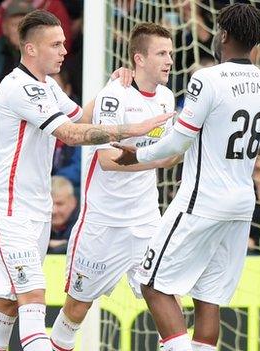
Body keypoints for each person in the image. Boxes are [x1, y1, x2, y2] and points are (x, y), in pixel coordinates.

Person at [0, 10, 171, 351]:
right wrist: (131, 128)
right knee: (33, 297)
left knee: (5, 308)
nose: (65, 50)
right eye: (55, 44)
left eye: (64, 43)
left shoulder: (48, 86)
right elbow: (70, 134)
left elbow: (80, 116)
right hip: (8, 213)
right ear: (31, 49)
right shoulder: (18, 88)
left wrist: (115, 85)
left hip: (36, 210)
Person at [114, 4, 260, 350]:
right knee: (208, 295)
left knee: (151, 284)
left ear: (224, 35)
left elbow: (180, 140)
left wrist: (136, 155)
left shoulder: (208, 78)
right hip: (242, 204)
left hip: (203, 200)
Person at [50, 22, 179, 351]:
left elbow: (172, 154)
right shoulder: (114, 96)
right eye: (161, 53)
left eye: (171, 53)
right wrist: (158, 159)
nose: (169, 60)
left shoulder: (166, 98)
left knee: (169, 303)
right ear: (139, 58)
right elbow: (107, 160)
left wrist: (174, 154)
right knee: (77, 308)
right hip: (103, 225)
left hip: (147, 220)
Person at [48, 175, 79, 254]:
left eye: (60, 204)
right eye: (48, 204)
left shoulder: (85, 224)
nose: (53, 211)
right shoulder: (33, 222)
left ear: (73, 202)